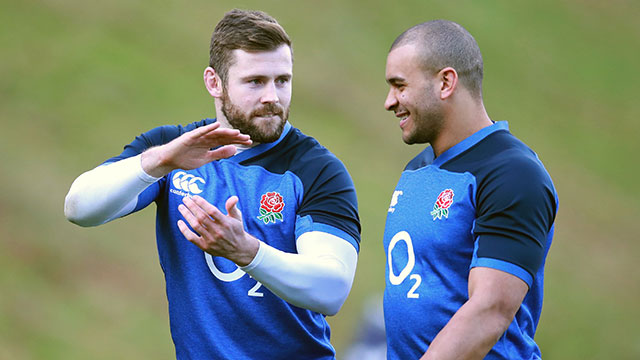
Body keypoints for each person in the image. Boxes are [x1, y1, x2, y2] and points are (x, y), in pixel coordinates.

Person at [64, 9, 360, 359]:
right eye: (255, 82)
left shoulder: (317, 170)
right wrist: (159, 161)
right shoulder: (173, 150)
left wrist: (245, 252)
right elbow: (79, 208)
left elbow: (331, 290)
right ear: (214, 82)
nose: (272, 97)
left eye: (282, 80)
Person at [382, 20, 558, 359]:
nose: (389, 102)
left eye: (399, 85)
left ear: (446, 82)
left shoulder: (512, 173)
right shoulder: (416, 170)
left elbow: (490, 310)